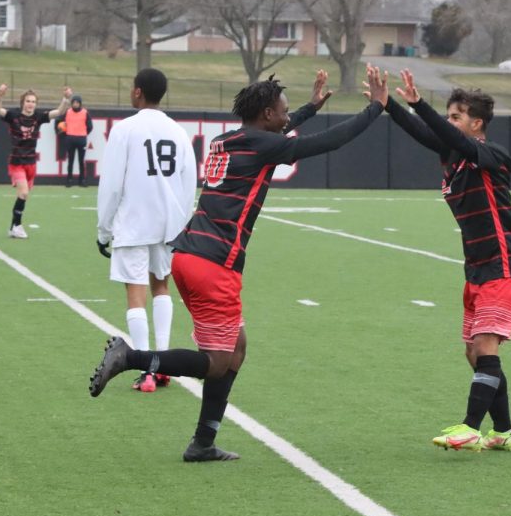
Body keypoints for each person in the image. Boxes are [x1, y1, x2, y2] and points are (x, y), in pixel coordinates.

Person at [89, 65, 389, 462]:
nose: (286, 119)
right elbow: (329, 143)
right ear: (266, 116)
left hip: (188, 255)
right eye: (282, 112)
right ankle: (132, 358)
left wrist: (309, 107)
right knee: (217, 363)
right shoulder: (264, 146)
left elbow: (277, 133)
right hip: (216, 264)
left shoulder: (228, 140)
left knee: (237, 348)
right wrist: (376, 110)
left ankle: (203, 442)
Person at [384, 69, 511, 452]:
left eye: (456, 116)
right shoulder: (455, 156)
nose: (449, 123)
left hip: (503, 262)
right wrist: (388, 105)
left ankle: (469, 427)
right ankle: (505, 431)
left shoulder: (491, 155)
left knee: (484, 345)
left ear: (476, 123)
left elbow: (443, 135)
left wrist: (417, 104)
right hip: (477, 266)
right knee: (474, 351)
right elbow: (427, 135)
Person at [96, 68, 197, 393]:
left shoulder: (125, 129)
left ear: (137, 92)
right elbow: (188, 183)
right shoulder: (179, 132)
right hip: (169, 224)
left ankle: (146, 372)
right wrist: (180, 225)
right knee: (161, 287)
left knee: (135, 293)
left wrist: (103, 229)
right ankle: (163, 364)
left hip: (134, 222)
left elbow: (111, 185)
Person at [0, 84, 72, 238]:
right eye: (28, 101)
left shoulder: (38, 117)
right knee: (23, 192)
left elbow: (60, 111)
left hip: (31, 163)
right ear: (23, 102)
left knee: (24, 195)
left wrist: (66, 98)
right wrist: (0, 96)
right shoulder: (13, 116)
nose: (31, 104)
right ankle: (17, 225)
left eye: (33, 102)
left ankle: (13, 226)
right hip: (16, 162)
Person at [56, 94, 94, 187]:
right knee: (71, 161)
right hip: (70, 139)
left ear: (80, 104)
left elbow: (90, 126)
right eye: (74, 102)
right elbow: (59, 120)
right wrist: (63, 132)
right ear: (71, 103)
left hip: (81, 140)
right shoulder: (68, 112)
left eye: (77, 102)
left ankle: (82, 181)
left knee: (81, 161)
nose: (75, 104)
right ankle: (69, 180)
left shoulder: (85, 113)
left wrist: (83, 133)